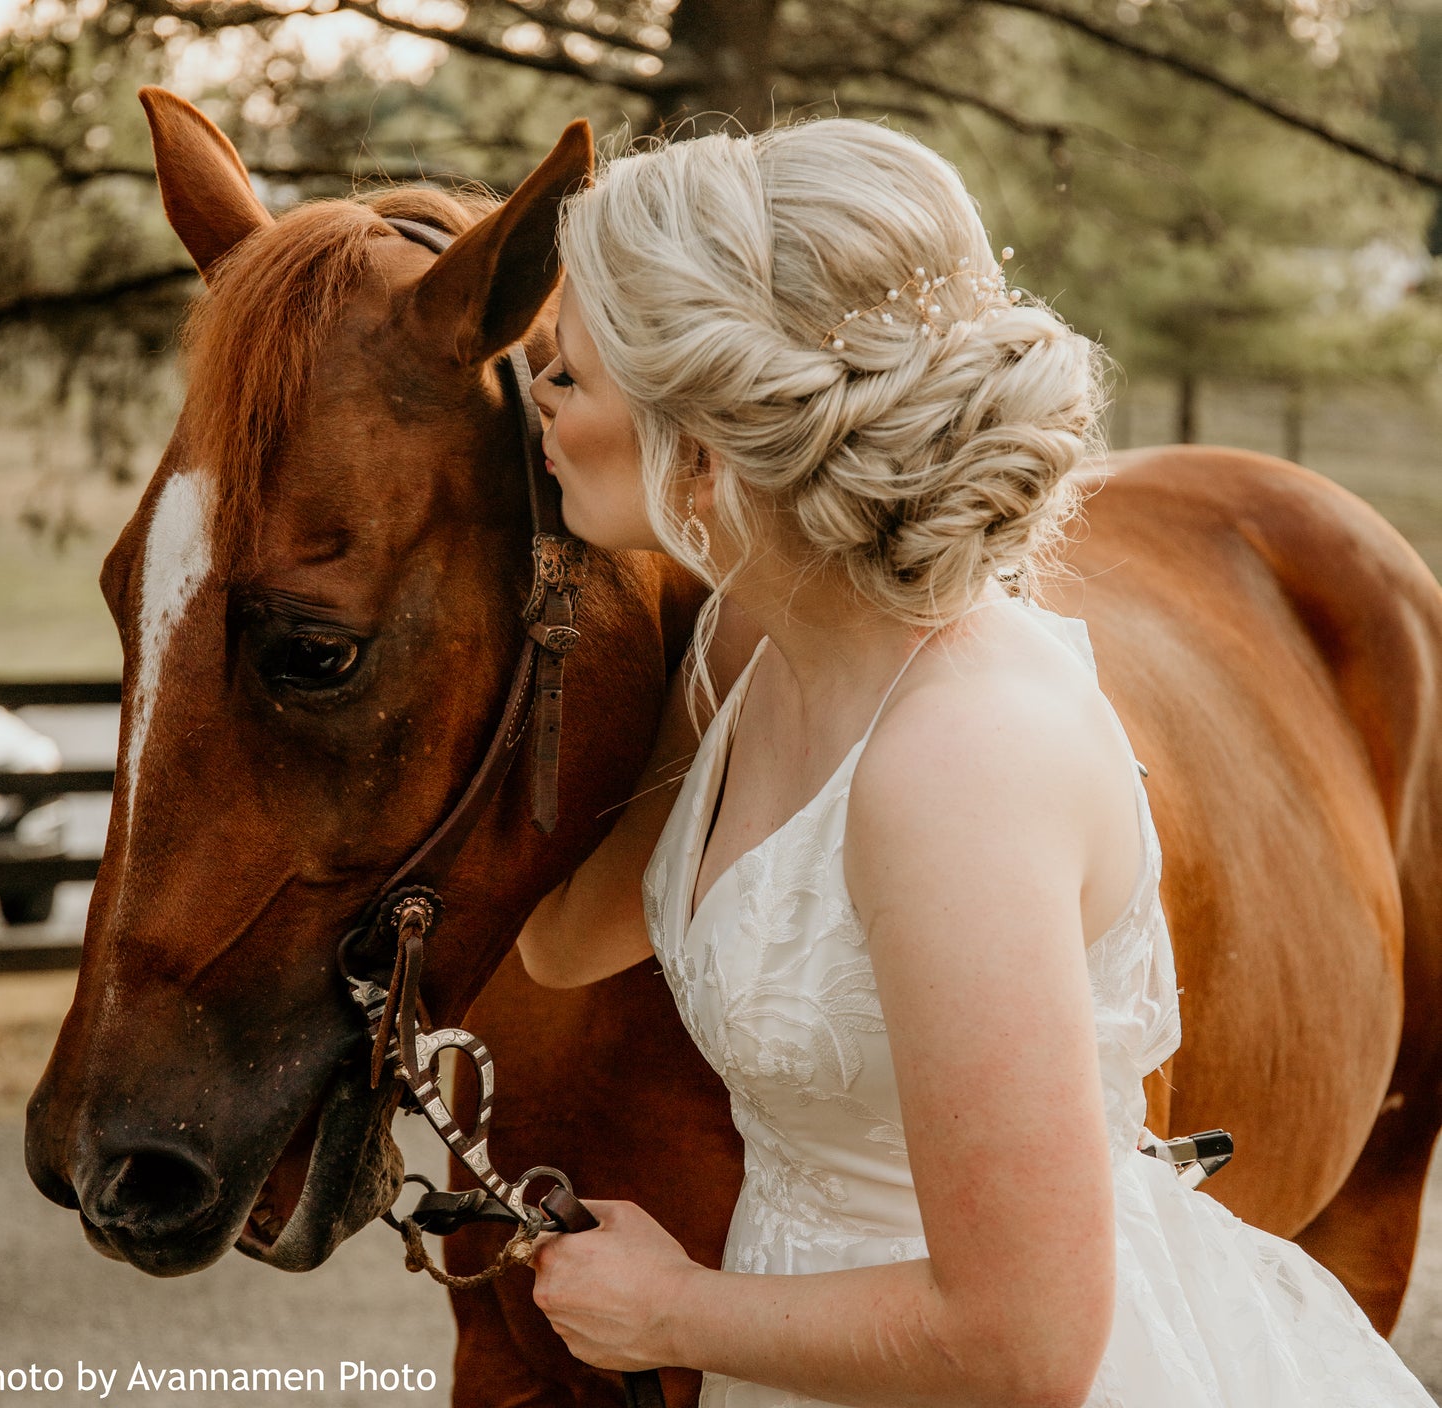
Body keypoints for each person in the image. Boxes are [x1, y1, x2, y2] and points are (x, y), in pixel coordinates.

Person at [515, 120, 1434, 1408]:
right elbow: (565, 941)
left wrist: (673, 1313)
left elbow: (1027, 1343)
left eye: (567, 377)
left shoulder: (958, 766)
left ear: (704, 449)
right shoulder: (740, 643)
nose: (534, 404)